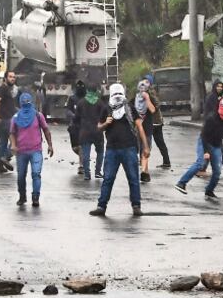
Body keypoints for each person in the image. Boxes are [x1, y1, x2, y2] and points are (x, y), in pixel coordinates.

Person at [88, 83, 145, 217]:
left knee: (133, 178)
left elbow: (139, 126)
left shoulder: (129, 108)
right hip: (112, 150)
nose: (117, 97)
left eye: (119, 94)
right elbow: (98, 127)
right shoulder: (106, 109)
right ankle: (101, 206)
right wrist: (105, 123)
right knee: (108, 178)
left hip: (129, 148)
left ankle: (136, 206)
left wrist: (145, 146)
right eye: (115, 94)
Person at [175, 97, 223, 199]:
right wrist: (206, 151)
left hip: (217, 144)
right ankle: (181, 183)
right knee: (200, 163)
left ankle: (209, 191)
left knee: (217, 171)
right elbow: (204, 136)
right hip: (205, 142)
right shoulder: (211, 119)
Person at [9, 93, 53, 207]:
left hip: (36, 151)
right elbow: (12, 133)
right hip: (21, 152)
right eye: (24, 102)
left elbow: (46, 130)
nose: (26, 104)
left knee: (36, 174)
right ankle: (22, 196)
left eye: (28, 102)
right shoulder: (16, 117)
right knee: (21, 176)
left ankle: (35, 197)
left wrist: (50, 145)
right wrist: (13, 145)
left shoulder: (38, 116)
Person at [199, 79, 223, 178]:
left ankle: (203, 168)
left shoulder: (219, 98)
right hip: (211, 127)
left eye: (221, 86)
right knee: (218, 148)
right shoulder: (212, 97)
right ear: (214, 87)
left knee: (216, 149)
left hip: (216, 127)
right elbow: (215, 112)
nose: (219, 88)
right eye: (218, 86)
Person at [73, 85, 104, 180]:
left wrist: (79, 126)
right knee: (100, 151)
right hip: (97, 131)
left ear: (87, 91)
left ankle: (87, 174)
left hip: (85, 131)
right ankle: (98, 171)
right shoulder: (100, 102)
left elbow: (76, 118)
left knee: (86, 153)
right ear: (96, 91)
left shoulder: (81, 102)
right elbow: (105, 116)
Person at [0, 71, 19, 173]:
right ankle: (5, 156)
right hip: (6, 121)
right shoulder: (3, 88)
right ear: (5, 78)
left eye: (14, 77)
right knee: (17, 141)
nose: (12, 79)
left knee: (3, 142)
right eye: (10, 77)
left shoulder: (7, 89)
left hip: (5, 120)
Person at [143, 74, 171, 170]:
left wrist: (150, 107)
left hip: (154, 121)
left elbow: (157, 105)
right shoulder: (148, 91)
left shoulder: (150, 92)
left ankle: (143, 160)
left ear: (150, 83)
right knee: (159, 142)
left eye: (147, 81)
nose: (144, 83)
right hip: (156, 121)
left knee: (147, 142)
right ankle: (166, 162)